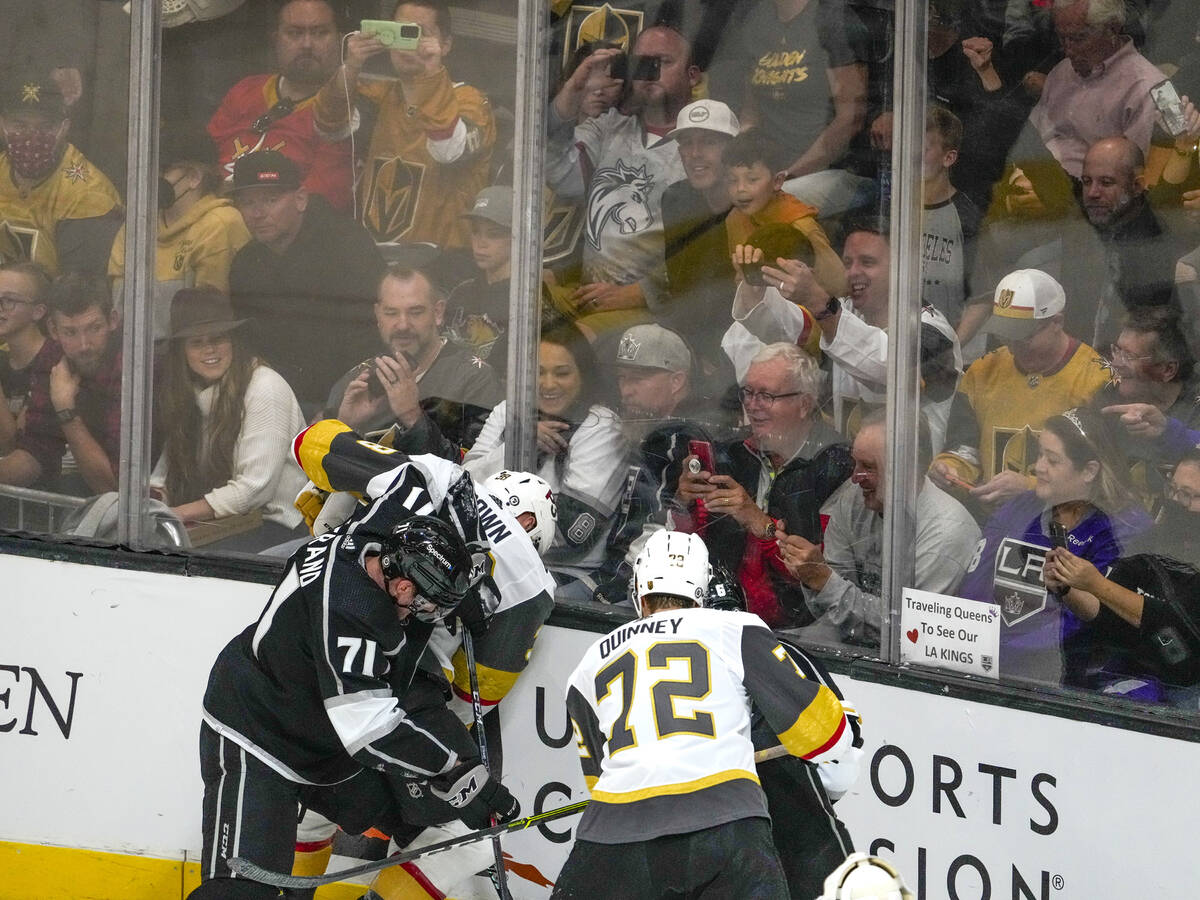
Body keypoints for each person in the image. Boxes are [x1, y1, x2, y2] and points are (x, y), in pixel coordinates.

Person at [282, 422, 559, 900]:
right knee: (469, 831)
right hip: (397, 686)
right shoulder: (533, 587)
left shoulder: (435, 474)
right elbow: (473, 697)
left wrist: (337, 493)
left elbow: (310, 441)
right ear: (535, 532)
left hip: (311, 653)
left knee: (321, 791)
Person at [188, 504, 521, 898]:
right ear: (402, 587)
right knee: (240, 893)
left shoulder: (371, 536)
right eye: (430, 605)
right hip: (259, 735)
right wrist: (453, 767)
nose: (429, 616)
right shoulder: (350, 611)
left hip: (324, 743)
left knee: (446, 820)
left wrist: (459, 570)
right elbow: (368, 729)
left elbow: (423, 473)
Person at [553, 529, 852, 900]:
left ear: (638, 594)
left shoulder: (590, 661)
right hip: (730, 826)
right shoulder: (735, 629)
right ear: (704, 590)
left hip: (618, 834)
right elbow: (827, 735)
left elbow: (598, 781)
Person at [723, 219, 962, 453]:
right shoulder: (842, 312)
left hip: (911, 482)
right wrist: (756, 286)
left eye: (867, 262)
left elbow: (888, 366)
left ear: (904, 269)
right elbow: (785, 329)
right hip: (850, 478)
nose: (853, 272)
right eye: (847, 263)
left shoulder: (934, 331)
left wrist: (818, 302)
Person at [957, 407, 1152, 691]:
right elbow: (974, 586)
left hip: (1069, 681)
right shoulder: (1020, 507)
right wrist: (971, 643)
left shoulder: (1124, 528)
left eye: (1052, 460)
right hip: (989, 664)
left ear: (1089, 471)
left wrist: (1005, 654)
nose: (1038, 468)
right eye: (1039, 455)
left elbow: (1094, 619)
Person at [702, 562, 864, 900]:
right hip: (808, 841)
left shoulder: (668, 659)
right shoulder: (787, 655)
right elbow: (842, 770)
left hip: (718, 841)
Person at [675, 342, 853, 628]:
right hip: (719, 609)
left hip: (794, 626)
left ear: (804, 404)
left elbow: (818, 574)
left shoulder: (835, 466)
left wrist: (758, 522)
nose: (753, 406)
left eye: (767, 396)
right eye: (749, 393)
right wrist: (684, 502)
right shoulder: (731, 452)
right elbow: (690, 542)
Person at [778, 409, 981, 649]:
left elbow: (910, 632)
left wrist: (824, 581)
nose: (855, 477)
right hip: (853, 643)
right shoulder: (854, 501)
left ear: (906, 469)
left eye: (868, 466)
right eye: (855, 463)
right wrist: (813, 576)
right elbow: (832, 613)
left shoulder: (946, 531)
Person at [463, 321, 627, 599]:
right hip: (498, 563)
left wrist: (489, 521)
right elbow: (464, 486)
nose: (548, 384)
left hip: (568, 574)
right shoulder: (508, 411)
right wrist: (518, 445)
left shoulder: (602, 426)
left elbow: (572, 534)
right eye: (538, 373)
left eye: (562, 373)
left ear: (583, 375)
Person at [544, 25, 698, 321]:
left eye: (663, 62)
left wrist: (642, 292)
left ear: (692, 75)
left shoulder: (702, 141)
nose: (650, 73)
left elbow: (709, 241)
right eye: (642, 64)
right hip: (591, 297)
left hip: (659, 307)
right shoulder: (608, 127)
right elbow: (558, 174)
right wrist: (572, 90)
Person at [312, 0, 496, 248]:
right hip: (374, 257)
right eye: (401, 32)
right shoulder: (380, 96)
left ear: (446, 44)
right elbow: (327, 128)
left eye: (420, 33)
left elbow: (448, 151)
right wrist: (351, 67)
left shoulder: (471, 101)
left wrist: (431, 71)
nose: (408, 45)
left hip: (442, 261)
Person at [931, 268, 1110, 513]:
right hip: (991, 524)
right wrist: (950, 468)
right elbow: (965, 447)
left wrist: (1032, 487)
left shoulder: (1099, 378)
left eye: (1024, 336)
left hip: (1065, 526)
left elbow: (1107, 475)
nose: (1013, 348)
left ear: (1057, 322)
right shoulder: (982, 371)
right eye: (1005, 335)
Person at [227, 150, 385, 413]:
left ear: (300, 199)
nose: (257, 213)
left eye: (270, 199)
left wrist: (339, 405)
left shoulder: (347, 245)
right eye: (247, 202)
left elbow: (371, 334)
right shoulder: (244, 264)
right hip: (272, 400)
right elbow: (247, 346)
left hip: (349, 399)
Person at [150, 288, 308, 553]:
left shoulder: (265, 387)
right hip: (218, 524)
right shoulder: (187, 395)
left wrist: (176, 514)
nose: (209, 349)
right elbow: (162, 477)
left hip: (277, 528)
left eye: (218, 338)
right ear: (182, 351)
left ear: (233, 340)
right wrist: (152, 502)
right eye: (196, 342)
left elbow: (253, 490)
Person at [593, 323, 727, 604]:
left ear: (677, 381)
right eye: (622, 378)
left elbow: (658, 529)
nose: (625, 390)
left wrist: (613, 589)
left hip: (644, 588)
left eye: (637, 380)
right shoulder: (646, 429)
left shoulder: (678, 438)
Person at [325, 264, 500, 461]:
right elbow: (315, 472)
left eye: (415, 312)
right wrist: (345, 426)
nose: (403, 325)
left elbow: (477, 472)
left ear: (438, 313)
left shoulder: (473, 379)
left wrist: (412, 415)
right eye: (391, 313)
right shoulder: (358, 381)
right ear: (378, 315)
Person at [207, 0, 353, 211]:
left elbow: (320, 201)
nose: (307, 44)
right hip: (210, 220)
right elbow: (201, 161)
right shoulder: (245, 90)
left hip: (272, 228)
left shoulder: (345, 109)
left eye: (320, 33)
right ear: (276, 39)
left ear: (341, 40)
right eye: (294, 33)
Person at [108, 134, 251, 342]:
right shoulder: (135, 227)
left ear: (193, 177)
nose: (152, 177)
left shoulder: (220, 223)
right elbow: (121, 311)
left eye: (163, 170)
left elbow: (207, 322)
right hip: (136, 358)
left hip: (190, 357)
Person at [736, 0, 872, 218]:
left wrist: (788, 176)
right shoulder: (757, 20)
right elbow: (751, 113)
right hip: (770, 169)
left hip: (830, 170)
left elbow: (851, 118)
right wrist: (738, 162)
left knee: (768, 208)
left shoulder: (833, 19)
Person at [0, 272, 120, 495]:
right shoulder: (55, 360)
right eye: (70, 332)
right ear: (54, 330)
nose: (84, 345)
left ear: (112, 320)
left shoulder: (132, 365)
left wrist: (66, 410)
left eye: (94, 328)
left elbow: (114, 486)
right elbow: (36, 453)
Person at [0, 70, 122, 275]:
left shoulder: (89, 194)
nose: (31, 138)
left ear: (65, 128)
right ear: (2, 124)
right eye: (19, 124)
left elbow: (78, 297)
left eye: (45, 127)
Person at [1026, 0, 1163, 179]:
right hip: (1034, 172)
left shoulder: (1147, 89)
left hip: (1086, 195)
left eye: (1078, 39)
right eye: (1062, 38)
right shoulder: (1063, 70)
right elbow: (1033, 135)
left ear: (1112, 29)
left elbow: (1130, 179)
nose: (1068, 50)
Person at [1071, 136, 1181, 348]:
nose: (1093, 193)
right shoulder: (1088, 222)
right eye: (1086, 182)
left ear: (1137, 185)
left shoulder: (1154, 239)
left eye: (1106, 182)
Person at [656, 99, 739, 365]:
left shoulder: (755, 207)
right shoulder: (676, 199)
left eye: (708, 142)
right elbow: (681, 287)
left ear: (734, 150)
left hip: (743, 340)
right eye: (687, 143)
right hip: (692, 337)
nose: (695, 153)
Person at [722, 131, 847, 300]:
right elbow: (741, 280)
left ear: (778, 181)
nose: (740, 189)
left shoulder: (802, 226)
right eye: (732, 180)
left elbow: (839, 286)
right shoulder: (735, 219)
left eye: (752, 179)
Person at [921, 106, 987, 361]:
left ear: (948, 158)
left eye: (924, 148)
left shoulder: (968, 218)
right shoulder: (895, 210)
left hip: (949, 361)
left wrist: (949, 351)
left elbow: (983, 298)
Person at [444, 186, 514, 377]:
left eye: (493, 234)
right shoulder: (461, 293)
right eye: (476, 232)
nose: (481, 242)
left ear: (518, 236)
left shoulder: (526, 299)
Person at [0, 261, 52, 454]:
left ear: (38, 311)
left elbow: (12, 447)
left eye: (9, 300)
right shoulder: (3, 359)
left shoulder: (54, 362)